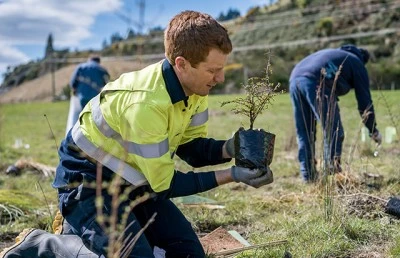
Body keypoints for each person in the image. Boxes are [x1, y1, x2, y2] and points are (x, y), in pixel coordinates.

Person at [1, 10, 273, 258]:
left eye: (222, 68)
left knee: (189, 253)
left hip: (134, 182)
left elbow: (191, 148)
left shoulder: (196, 91)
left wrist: (230, 148)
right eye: (213, 70)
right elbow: (165, 185)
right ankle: (47, 245)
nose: (220, 78)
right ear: (182, 64)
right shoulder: (145, 105)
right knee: (134, 255)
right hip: (89, 185)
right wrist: (232, 175)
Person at [289, 44, 382, 182]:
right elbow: (365, 102)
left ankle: (308, 177)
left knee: (305, 132)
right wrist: (373, 130)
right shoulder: (356, 62)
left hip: (294, 80)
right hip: (316, 82)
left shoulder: (334, 54)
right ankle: (332, 179)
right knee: (334, 131)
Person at [65, 54, 110, 135]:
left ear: (89, 60)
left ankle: (81, 135)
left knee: (82, 117)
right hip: (95, 98)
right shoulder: (102, 69)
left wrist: (74, 90)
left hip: (82, 97)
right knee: (94, 117)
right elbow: (107, 83)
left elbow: (73, 82)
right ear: (98, 61)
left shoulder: (80, 67)